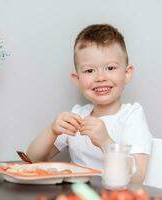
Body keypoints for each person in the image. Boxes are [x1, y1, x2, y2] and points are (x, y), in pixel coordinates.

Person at [26, 24, 153, 183]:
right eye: (89, 71)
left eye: (110, 68)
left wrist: (106, 142)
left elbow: (137, 178)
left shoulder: (131, 117)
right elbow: (31, 160)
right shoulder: (78, 115)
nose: (100, 77)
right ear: (77, 79)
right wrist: (52, 130)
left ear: (127, 74)